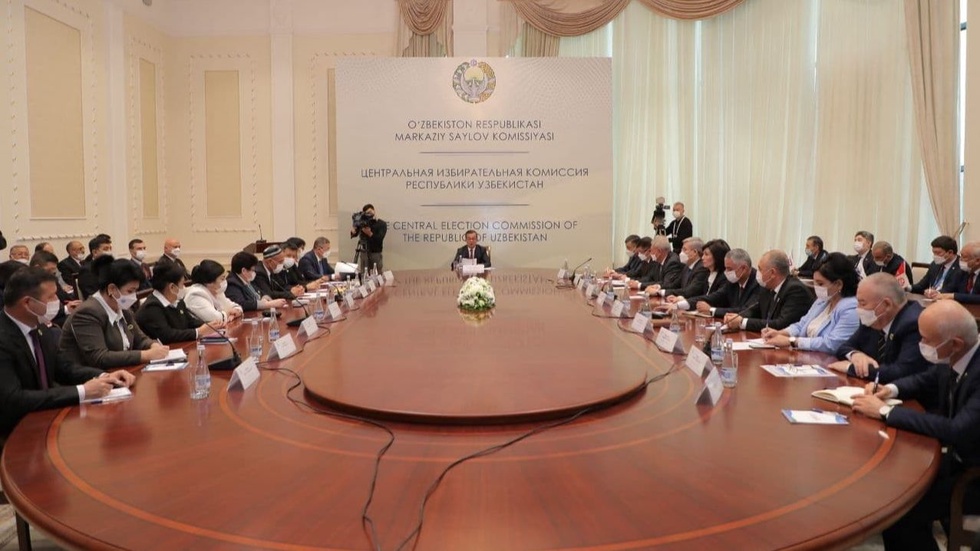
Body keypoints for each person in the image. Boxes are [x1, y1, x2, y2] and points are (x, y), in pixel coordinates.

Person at [852, 301, 980, 551]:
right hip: (952, 458)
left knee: (899, 511)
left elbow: (958, 430)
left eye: (926, 340)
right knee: (888, 485)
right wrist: (891, 389)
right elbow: (926, 379)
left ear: (955, 344)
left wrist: (886, 412)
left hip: (972, 474)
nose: (921, 344)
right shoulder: (958, 354)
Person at [0, 268, 135, 443]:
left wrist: (104, 376)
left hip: (45, 419)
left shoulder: (40, 328)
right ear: (27, 303)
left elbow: (64, 368)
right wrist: (83, 391)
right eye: (51, 297)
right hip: (14, 433)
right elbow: (13, 399)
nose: (57, 301)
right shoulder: (3, 338)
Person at [59, 256, 169, 369]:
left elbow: (140, 339)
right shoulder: (87, 312)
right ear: (112, 289)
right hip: (95, 376)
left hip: (122, 370)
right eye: (130, 291)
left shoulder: (123, 309)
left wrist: (154, 345)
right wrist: (145, 355)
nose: (133, 296)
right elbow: (99, 357)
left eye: (135, 291)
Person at [829, 272, 927, 383]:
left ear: (887, 304)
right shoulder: (874, 319)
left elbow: (901, 372)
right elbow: (843, 347)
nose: (858, 309)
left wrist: (851, 368)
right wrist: (856, 355)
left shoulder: (914, 324)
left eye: (863, 303)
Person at [762, 252, 859, 353]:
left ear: (838, 284)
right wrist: (781, 333)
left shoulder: (851, 308)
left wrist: (792, 341)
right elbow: (801, 325)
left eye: (820, 284)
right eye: (814, 282)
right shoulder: (822, 301)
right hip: (807, 356)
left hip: (828, 359)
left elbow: (832, 344)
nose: (816, 287)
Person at [723, 250, 813, 332]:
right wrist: (737, 317)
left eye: (760, 269)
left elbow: (781, 324)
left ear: (772, 273)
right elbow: (755, 310)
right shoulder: (766, 287)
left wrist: (742, 322)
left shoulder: (795, 290)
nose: (757, 273)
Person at [136, 262, 223, 344]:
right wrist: (197, 332)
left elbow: (190, 321)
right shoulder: (152, 307)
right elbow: (167, 335)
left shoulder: (177, 301)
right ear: (172, 287)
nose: (184, 288)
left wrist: (211, 325)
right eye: (182, 284)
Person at [672, 248, 761, 319]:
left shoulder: (757, 283)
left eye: (729, 269)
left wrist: (711, 310)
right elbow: (714, 297)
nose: (726, 272)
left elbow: (746, 310)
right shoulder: (732, 281)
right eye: (726, 268)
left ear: (743, 268)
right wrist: (679, 305)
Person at [225, 251, 289, 313]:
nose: (255, 272)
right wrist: (268, 304)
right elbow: (241, 304)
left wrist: (265, 297)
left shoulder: (245, 279)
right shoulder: (232, 284)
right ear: (244, 271)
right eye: (253, 270)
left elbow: (261, 292)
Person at [29, 251, 80, 327]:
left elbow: (64, 297)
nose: (52, 274)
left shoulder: (52, 280)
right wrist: (65, 309)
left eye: (54, 271)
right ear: (37, 268)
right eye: (49, 270)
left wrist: (74, 303)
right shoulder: (29, 284)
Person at [350, 204, 387, 274]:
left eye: (370, 212)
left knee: (377, 274)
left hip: (375, 253)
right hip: (364, 253)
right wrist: (353, 231)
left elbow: (379, 239)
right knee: (364, 273)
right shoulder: (362, 222)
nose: (369, 214)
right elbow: (355, 234)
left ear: (374, 210)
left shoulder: (381, 224)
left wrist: (370, 233)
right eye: (367, 213)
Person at [76, 235, 113, 299]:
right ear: (95, 252)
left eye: (110, 248)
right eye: (106, 249)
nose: (109, 251)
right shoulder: (86, 270)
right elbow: (91, 294)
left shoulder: (112, 266)